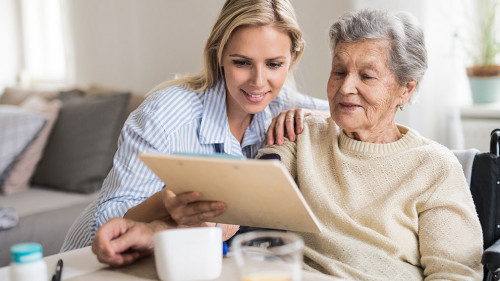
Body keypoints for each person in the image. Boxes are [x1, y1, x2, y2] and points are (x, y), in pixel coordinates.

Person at [61, 0, 328, 254]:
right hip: (87, 261)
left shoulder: (282, 104)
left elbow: (351, 112)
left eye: (273, 64)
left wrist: (310, 114)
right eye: (242, 63)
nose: (259, 81)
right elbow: (108, 221)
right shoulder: (164, 115)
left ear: (292, 59)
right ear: (219, 55)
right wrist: (164, 203)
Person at [255, 9, 483, 280]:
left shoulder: (435, 168)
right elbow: (247, 200)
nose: (346, 87)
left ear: (406, 89)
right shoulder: (301, 134)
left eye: (367, 76)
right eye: (339, 71)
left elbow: (455, 275)